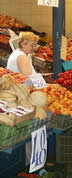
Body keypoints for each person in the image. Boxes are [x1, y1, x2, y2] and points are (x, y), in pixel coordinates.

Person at [6, 31, 39, 166]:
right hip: (21, 97)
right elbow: (30, 78)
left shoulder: (20, 55)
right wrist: (46, 85)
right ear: (23, 44)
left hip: (18, 96)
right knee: (30, 131)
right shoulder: (21, 57)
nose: (33, 48)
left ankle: (29, 163)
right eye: (32, 45)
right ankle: (30, 163)